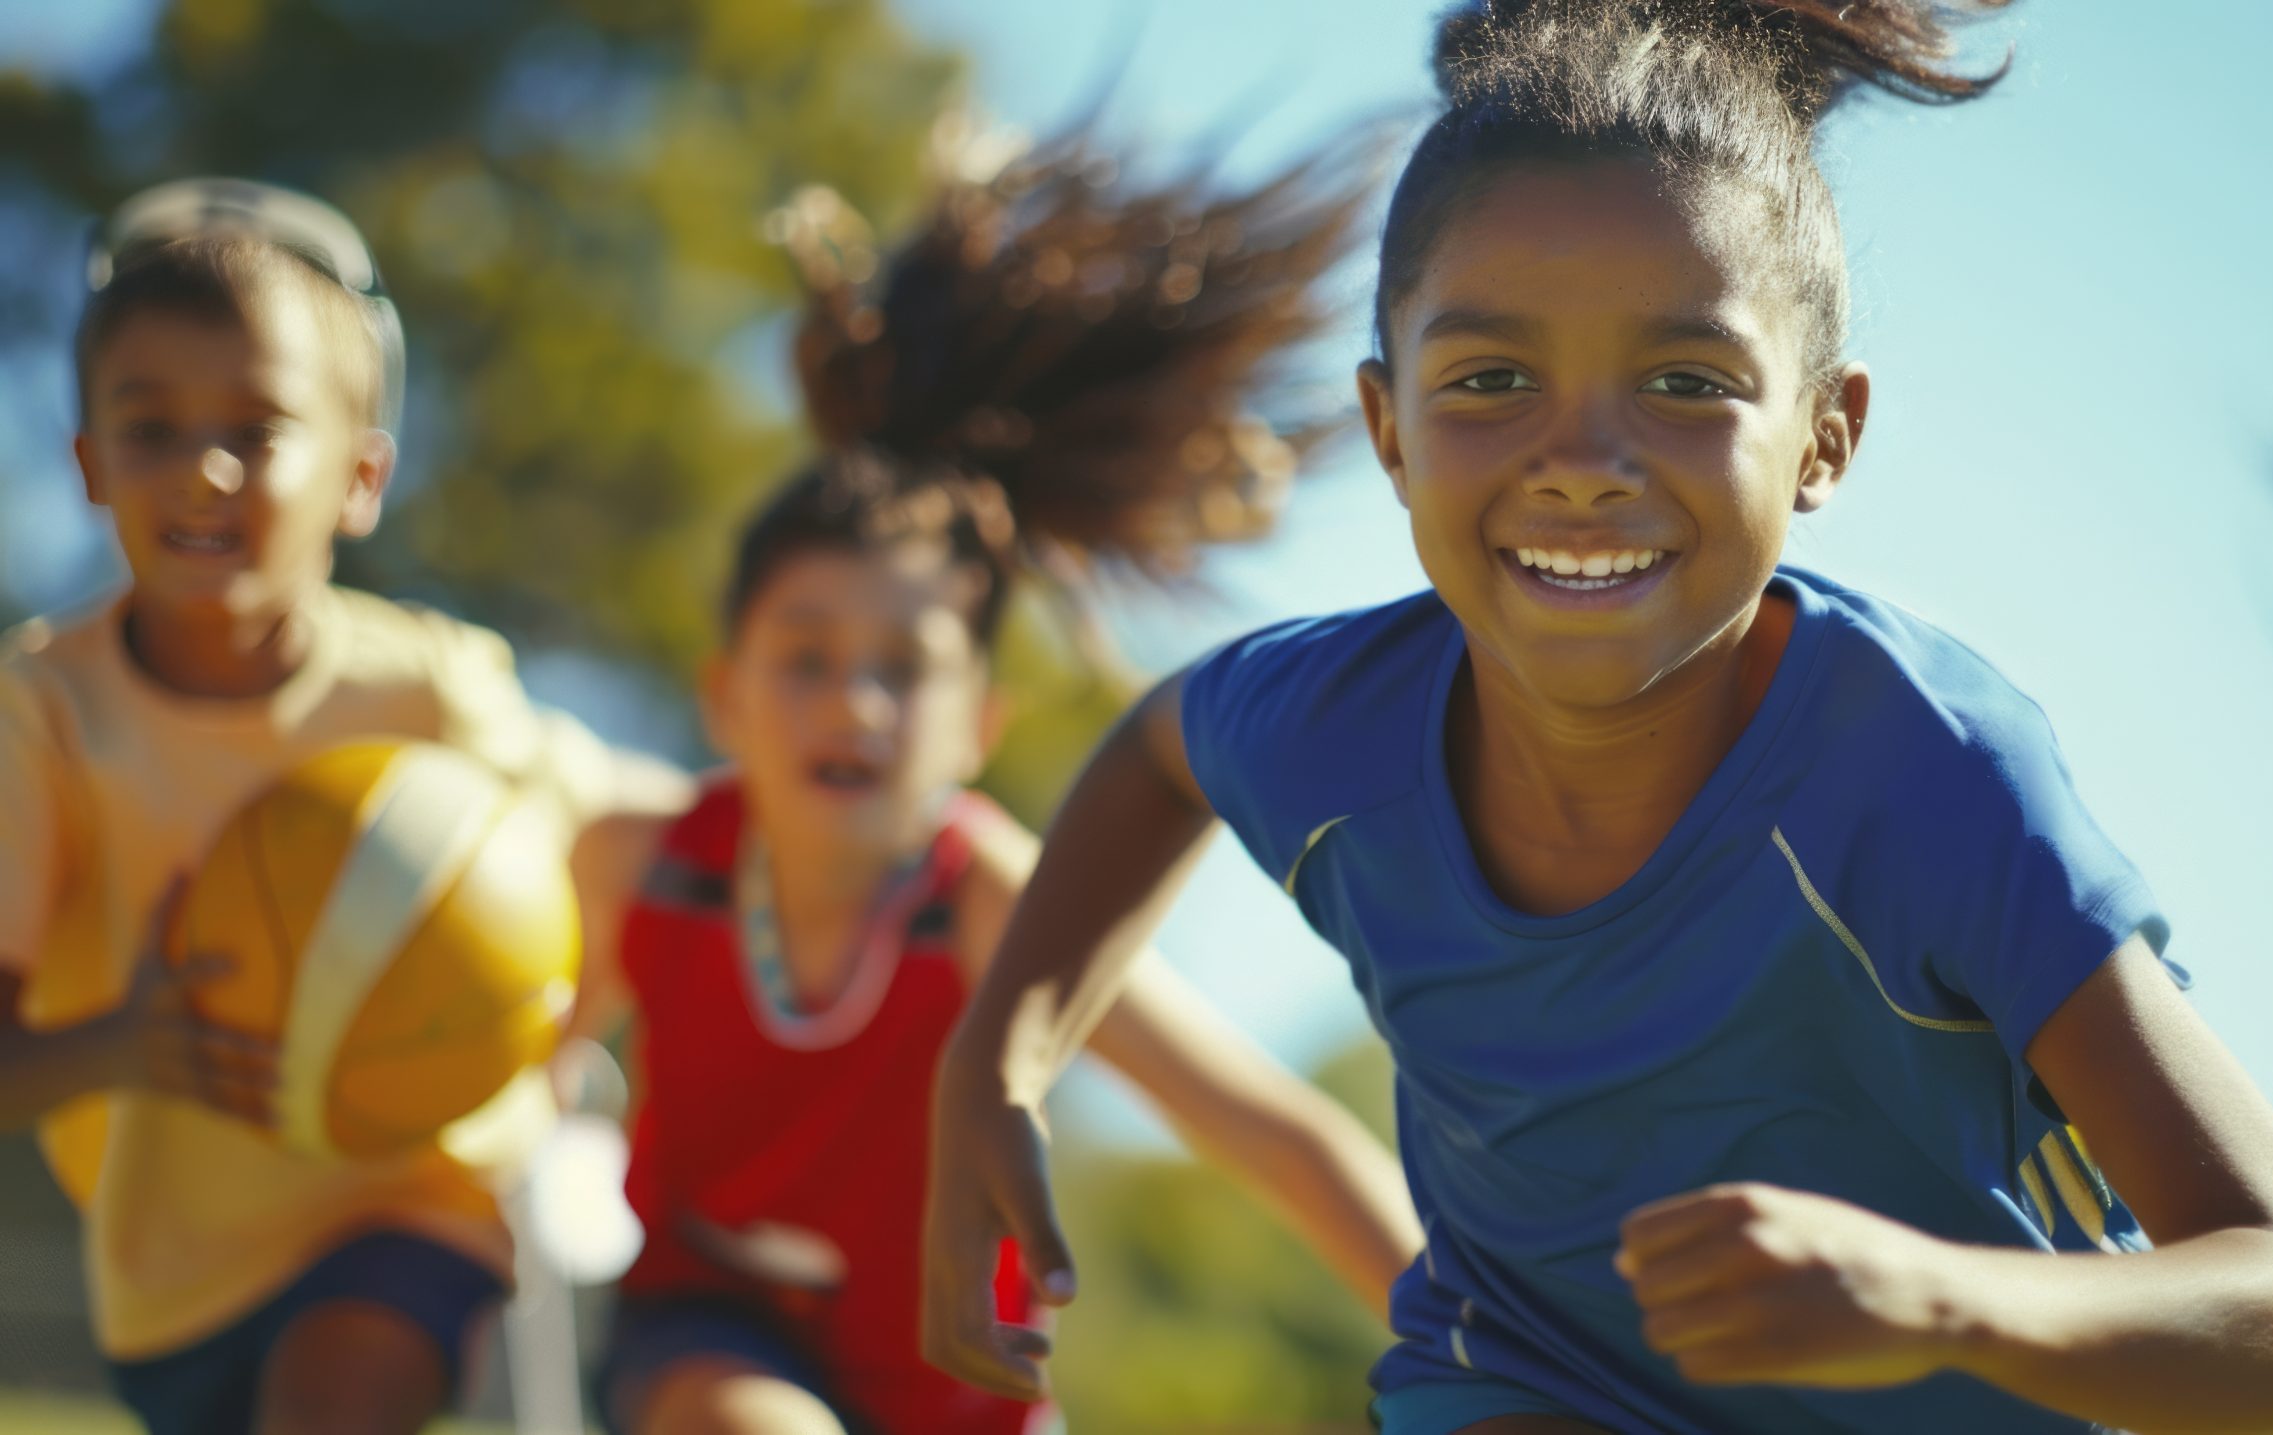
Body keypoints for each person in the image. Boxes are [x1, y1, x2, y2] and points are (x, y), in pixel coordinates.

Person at [920, 3, 2273, 1432]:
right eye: (1490, 378)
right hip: (1526, 1377)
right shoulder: (1333, 728)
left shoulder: (1923, 778)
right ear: (1388, 428)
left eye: (1686, 381)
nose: (1581, 458)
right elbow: (1161, 749)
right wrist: (995, 1069)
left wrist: (1939, 1300)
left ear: (1825, 435)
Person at [564, 137, 1422, 1435]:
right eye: (806, 658)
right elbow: (491, 1067)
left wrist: (1502, 1353)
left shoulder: (989, 898)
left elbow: (1279, 1134)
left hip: (963, 1393)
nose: (854, 702)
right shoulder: (645, 861)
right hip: (704, 1344)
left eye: (904, 669)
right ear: (722, 693)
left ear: (980, 725)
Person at [0, 188, 687, 1435]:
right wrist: (126, 1046)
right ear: (90, 465)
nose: (203, 467)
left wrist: (549, 1023)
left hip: (409, 1201)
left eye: (256, 432)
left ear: (362, 477)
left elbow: (636, 831)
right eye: (150, 428)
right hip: (173, 1267)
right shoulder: (41, 714)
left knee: (337, 1392)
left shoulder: (434, 685)